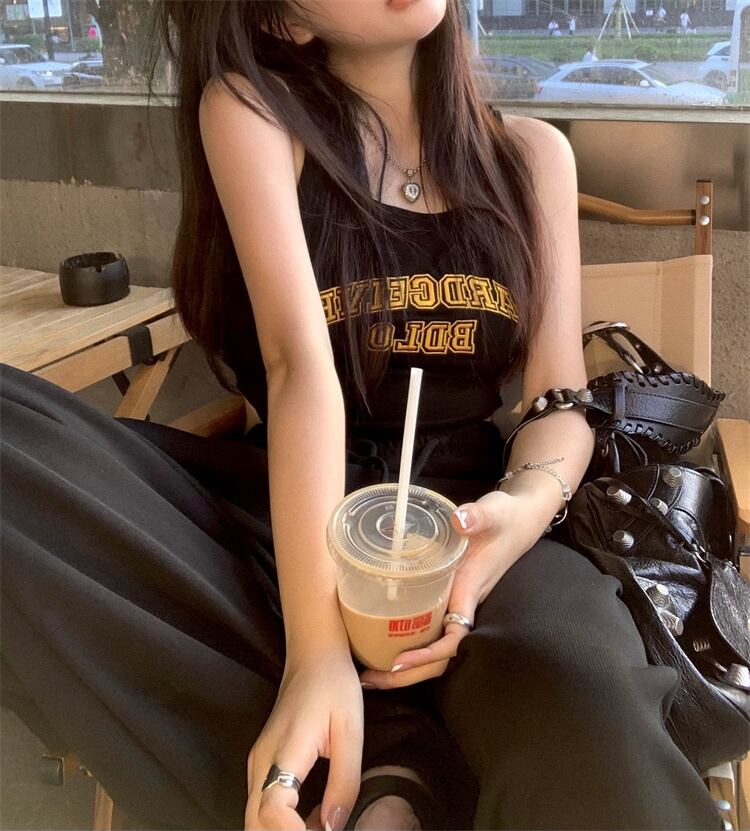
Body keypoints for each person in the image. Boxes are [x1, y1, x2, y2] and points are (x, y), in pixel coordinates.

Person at [0, 1, 727, 830]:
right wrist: (316, 652)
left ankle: (368, 774)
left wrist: (519, 513)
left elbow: (558, 399)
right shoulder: (254, 116)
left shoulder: (533, 158)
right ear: (284, 21)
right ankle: (387, 752)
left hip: (470, 519)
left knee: (578, 685)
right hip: (293, 521)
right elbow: (298, 369)